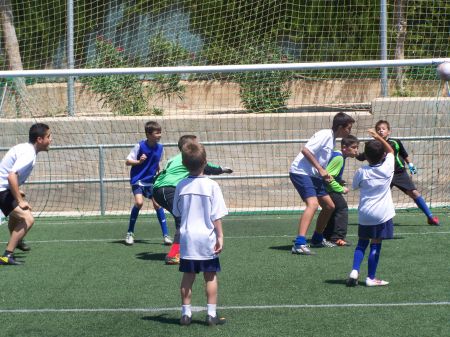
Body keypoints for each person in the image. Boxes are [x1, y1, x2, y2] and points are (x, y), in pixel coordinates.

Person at [152, 135, 232, 265]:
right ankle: (174, 254)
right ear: (188, 147)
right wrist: (223, 169)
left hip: (160, 189)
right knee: (182, 218)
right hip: (167, 189)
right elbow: (208, 167)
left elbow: (162, 174)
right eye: (195, 143)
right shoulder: (186, 159)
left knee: (183, 217)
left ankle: (182, 249)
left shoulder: (174, 159)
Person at [173, 141, 227, 326]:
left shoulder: (181, 185)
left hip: (188, 239)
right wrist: (220, 236)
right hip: (206, 239)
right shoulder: (212, 185)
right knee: (210, 276)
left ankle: (185, 314)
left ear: (183, 163)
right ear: (205, 161)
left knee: (188, 276)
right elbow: (216, 215)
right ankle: (211, 315)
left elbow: (178, 212)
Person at [290, 112, 355, 255]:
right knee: (312, 204)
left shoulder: (332, 139)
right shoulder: (325, 134)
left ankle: (317, 239)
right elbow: (306, 150)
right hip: (301, 172)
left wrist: (328, 176)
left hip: (313, 175)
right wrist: (320, 169)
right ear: (340, 127)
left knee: (329, 206)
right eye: (348, 128)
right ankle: (299, 243)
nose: (350, 131)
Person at [357, 120, 440, 226]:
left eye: (383, 129)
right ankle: (374, 218)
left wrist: (410, 164)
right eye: (378, 129)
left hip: (399, 173)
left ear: (389, 131)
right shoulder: (375, 145)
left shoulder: (395, 142)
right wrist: (353, 152)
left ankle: (430, 216)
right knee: (378, 197)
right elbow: (362, 156)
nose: (381, 131)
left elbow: (403, 154)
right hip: (383, 175)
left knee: (414, 193)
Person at [347, 129, 395, 287]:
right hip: (382, 214)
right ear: (382, 156)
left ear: (365, 157)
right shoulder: (387, 167)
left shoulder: (361, 172)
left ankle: (354, 270)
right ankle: (371, 278)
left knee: (362, 243)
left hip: (365, 213)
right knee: (376, 244)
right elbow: (391, 151)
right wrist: (379, 137)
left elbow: (353, 187)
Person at [0, 123, 52, 265]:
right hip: (1, 190)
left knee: (16, 217)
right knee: (28, 219)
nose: (51, 139)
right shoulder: (28, 153)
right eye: (48, 136)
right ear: (40, 140)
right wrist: (19, 200)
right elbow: (11, 176)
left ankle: (16, 241)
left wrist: (17, 192)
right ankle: (6, 256)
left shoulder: (26, 149)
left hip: (4, 189)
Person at [124, 121, 172, 246]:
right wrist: (139, 162)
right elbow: (128, 161)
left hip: (151, 180)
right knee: (139, 203)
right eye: (157, 133)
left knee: (157, 205)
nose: (160, 135)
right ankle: (130, 233)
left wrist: (158, 170)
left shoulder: (160, 148)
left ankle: (166, 235)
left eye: (160, 132)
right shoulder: (139, 146)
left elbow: (156, 163)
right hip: (138, 179)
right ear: (148, 134)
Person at [322, 135, 360, 246]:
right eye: (353, 147)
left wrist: (339, 180)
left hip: (327, 188)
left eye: (357, 147)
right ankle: (337, 237)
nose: (356, 150)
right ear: (344, 147)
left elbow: (331, 174)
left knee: (335, 210)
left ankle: (327, 235)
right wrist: (341, 189)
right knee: (342, 208)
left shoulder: (338, 156)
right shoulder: (339, 158)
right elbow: (327, 177)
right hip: (329, 189)